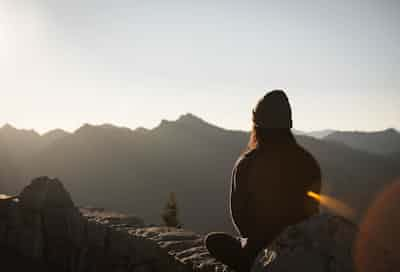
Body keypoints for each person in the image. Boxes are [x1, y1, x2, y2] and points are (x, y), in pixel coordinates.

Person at [205, 90, 321, 272]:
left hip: (261, 251)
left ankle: (247, 262)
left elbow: (241, 221)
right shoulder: (308, 163)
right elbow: (313, 212)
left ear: (257, 125)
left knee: (213, 241)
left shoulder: (247, 163)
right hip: (303, 246)